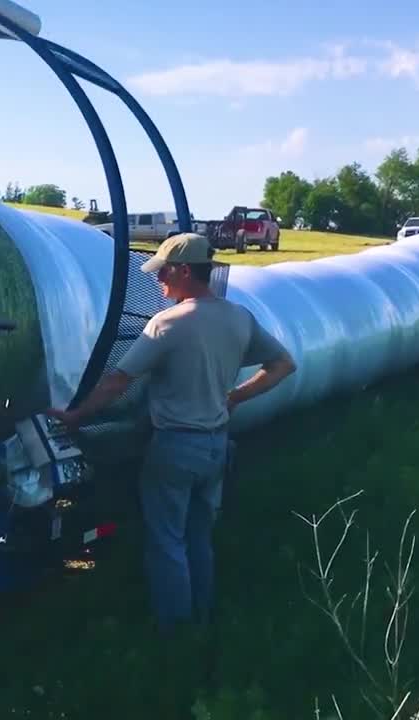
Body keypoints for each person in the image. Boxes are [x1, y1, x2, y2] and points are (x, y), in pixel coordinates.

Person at [47, 232, 295, 632]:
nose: (158, 279)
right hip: (216, 446)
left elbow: (118, 382)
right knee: (199, 538)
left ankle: (176, 631)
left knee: (167, 542)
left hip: (176, 448)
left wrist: (76, 415)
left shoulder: (168, 323)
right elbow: (283, 364)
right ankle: (203, 618)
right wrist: (234, 397)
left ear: (184, 271)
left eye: (164, 271)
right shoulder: (239, 317)